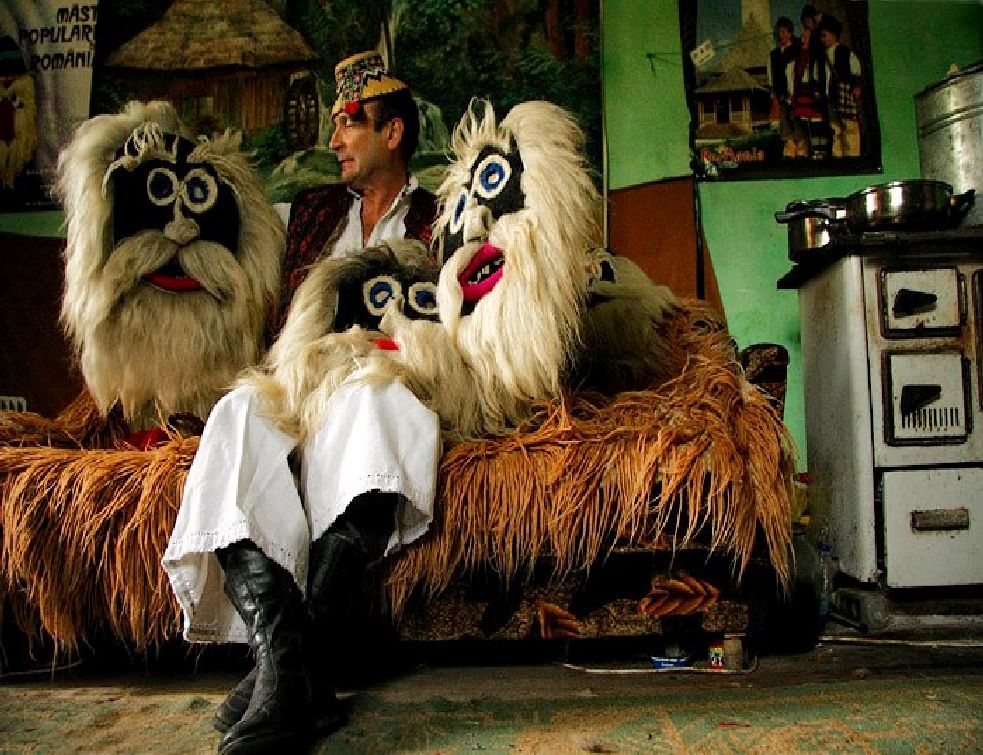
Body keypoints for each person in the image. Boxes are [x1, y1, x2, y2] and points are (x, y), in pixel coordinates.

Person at [162, 51, 441, 755]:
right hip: (298, 378)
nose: (334, 139)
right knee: (236, 415)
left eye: (350, 124)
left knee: (372, 406)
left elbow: (452, 331)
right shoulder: (313, 213)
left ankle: (282, 673)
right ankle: (291, 667)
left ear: (393, 132)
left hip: (385, 373)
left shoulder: (437, 218)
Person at [816, 14, 863, 157]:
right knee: (835, 128)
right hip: (831, 97)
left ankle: (852, 155)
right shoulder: (822, 57)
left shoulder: (845, 51)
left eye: (824, 35)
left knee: (849, 126)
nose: (822, 39)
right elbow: (821, 76)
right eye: (821, 36)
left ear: (834, 35)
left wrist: (856, 86)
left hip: (844, 92)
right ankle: (838, 156)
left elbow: (855, 70)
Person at [768, 17, 800, 158]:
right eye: (779, 32)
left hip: (796, 94)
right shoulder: (774, 54)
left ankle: (801, 154)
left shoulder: (796, 50)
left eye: (783, 32)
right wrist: (774, 93)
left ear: (789, 33)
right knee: (785, 126)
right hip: (781, 95)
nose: (781, 35)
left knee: (797, 125)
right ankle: (789, 154)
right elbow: (771, 76)